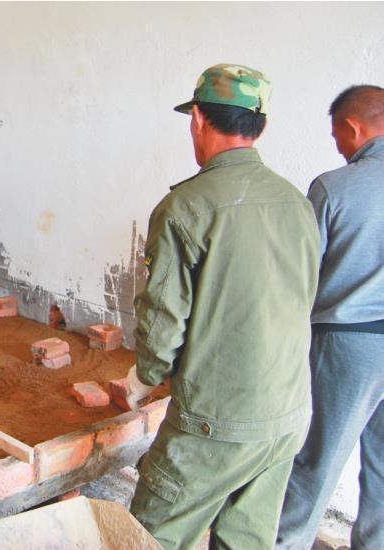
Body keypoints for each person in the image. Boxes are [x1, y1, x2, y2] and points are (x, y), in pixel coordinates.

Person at [126, 64, 320, 549]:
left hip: (214, 422)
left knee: (150, 538)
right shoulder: (295, 202)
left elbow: (163, 319)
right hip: (286, 413)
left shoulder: (186, 207)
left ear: (197, 118)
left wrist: (147, 375)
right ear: (261, 126)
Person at [276, 85, 384, 550]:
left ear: (353, 127)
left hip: (349, 342)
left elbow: (300, 270)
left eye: (337, 134)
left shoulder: (335, 187)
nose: (337, 145)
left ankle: (285, 543)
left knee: (316, 459)